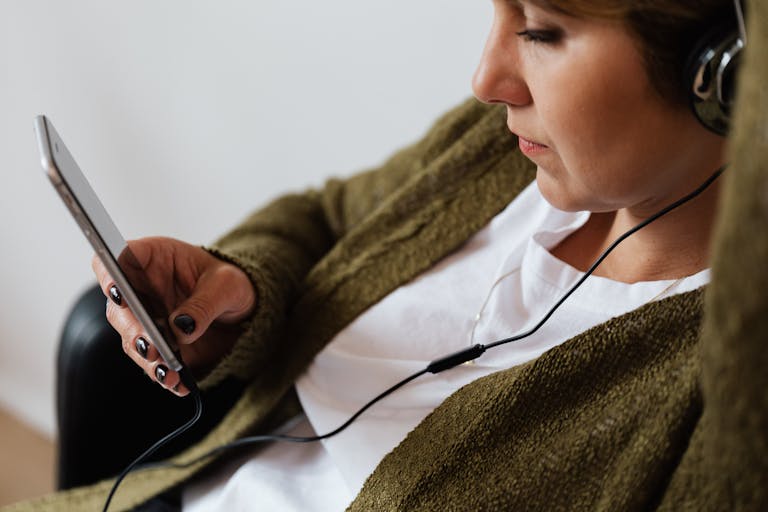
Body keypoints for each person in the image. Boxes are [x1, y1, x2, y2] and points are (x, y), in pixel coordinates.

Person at [8, 0, 768, 510]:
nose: (487, 79)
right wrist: (240, 289)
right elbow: (325, 215)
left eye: (539, 29)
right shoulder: (509, 155)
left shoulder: (728, 383)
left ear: (723, 74)